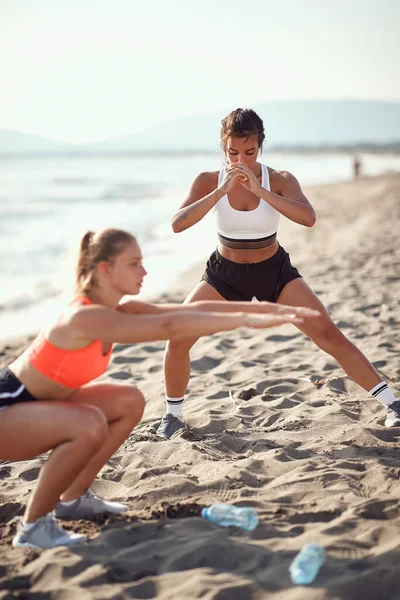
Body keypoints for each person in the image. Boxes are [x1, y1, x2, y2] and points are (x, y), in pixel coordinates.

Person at [0, 227, 316, 550]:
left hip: (36, 409)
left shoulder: (117, 309)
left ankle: (73, 499)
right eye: (134, 263)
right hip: (7, 410)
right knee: (89, 423)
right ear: (105, 270)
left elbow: (187, 313)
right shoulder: (84, 318)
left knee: (128, 402)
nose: (144, 271)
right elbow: (169, 327)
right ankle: (33, 527)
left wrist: (265, 309)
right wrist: (246, 321)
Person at [159, 108, 400, 438]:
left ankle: (391, 404)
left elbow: (308, 217)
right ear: (223, 147)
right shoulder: (207, 180)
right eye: (232, 152)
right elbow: (177, 224)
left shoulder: (280, 179)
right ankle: (173, 416)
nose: (240, 159)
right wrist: (220, 192)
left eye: (249, 151)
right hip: (224, 274)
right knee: (178, 336)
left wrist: (259, 191)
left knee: (327, 333)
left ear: (260, 146)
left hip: (273, 271)